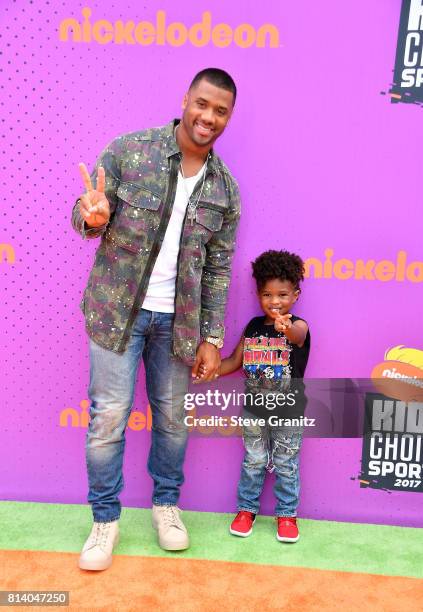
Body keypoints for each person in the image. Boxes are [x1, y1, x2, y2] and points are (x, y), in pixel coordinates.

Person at [71, 68, 241, 570]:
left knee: (171, 422)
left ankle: (166, 507)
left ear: (228, 117)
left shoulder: (226, 189)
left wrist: (212, 335)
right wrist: (92, 218)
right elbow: (85, 216)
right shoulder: (130, 151)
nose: (208, 117)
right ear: (185, 100)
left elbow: (218, 269)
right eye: (203, 104)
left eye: (221, 111)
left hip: (179, 325)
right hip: (116, 313)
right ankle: (104, 521)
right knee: (108, 421)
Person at [218, 250, 310, 542]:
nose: (275, 302)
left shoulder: (300, 326)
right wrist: (209, 370)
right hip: (254, 409)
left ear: (295, 295)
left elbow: (298, 336)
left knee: (286, 462)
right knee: (254, 460)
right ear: (259, 295)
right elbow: (234, 362)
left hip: (289, 409)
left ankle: (287, 515)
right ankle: (246, 510)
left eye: (282, 294)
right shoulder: (254, 327)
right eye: (267, 295)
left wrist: (288, 327)